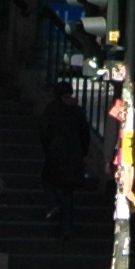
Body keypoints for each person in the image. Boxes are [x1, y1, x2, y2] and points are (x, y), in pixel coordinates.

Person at [38, 93, 91, 234]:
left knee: (46, 179)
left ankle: (54, 203)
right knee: (68, 192)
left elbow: (44, 132)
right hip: (74, 157)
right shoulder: (78, 112)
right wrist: (82, 152)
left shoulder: (52, 110)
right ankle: (66, 228)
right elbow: (85, 135)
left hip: (55, 154)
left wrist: (48, 148)